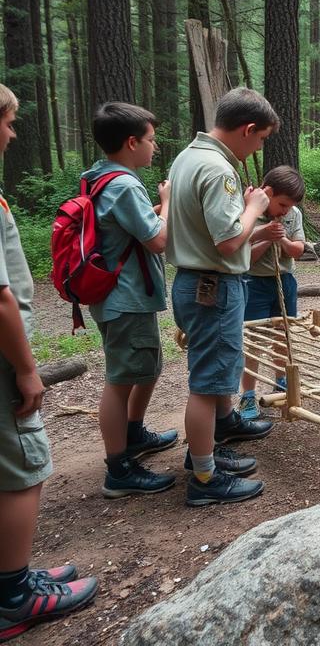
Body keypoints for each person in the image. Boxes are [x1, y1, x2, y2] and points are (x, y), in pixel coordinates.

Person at [0, 84, 99, 640]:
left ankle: (11, 576)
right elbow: (1, 297)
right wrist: (25, 366)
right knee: (21, 469)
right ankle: (13, 596)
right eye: (9, 123)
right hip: (2, 360)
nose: (13, 134)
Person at [166, 88, 277, 506]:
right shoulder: (218, 170)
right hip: (212, 286)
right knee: (207, 381)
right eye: (261, 138)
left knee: (212, 374)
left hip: (194, 282)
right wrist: (255, 206)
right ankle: (204, 477)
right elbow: (229, 240)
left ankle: (207, 454)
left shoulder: (187, 157)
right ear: (247, 129)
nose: (259, 146)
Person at [82, 103, 179, 499]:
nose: (155, 148)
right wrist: (170, 203)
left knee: (147, 367)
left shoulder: (98, 177)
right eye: (151, 140)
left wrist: (155, 210)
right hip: (126, 298)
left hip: (122, 296)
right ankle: (118, 470)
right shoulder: (124, 184)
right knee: (120, 381)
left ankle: (134, 433)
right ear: (131, 142)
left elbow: (126, 227)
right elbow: (158, 239)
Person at [238, 166, 307, 420]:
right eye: (282, 204)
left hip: (284, 281)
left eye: (289, 206)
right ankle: (247, 396)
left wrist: (283, 240)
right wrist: (266, 236)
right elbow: (244, 259)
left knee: (283, 335)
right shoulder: (248, 211)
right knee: (253, 340)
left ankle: (281, 383)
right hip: (253, 283)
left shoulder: (294, 214)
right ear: (268, 193)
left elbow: (298, 250)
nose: (285, 211)